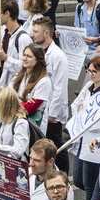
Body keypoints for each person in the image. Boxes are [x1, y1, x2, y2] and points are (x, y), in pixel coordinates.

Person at [70, 56, 100, 200]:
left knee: (89, 184)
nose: (91, 74)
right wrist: (81, 112)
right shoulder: (89, 85)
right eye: (89, 71)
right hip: (82, 138)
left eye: (94, 71)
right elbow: (76, 105)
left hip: (94, 140)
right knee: (78, 179)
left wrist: (84, 112)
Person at [31, 16, 70, 173]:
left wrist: (53, 113)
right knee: (46, 143)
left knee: (56, 145)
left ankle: (63, 174)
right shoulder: (39, 51)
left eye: (36, 32)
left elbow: (60, 87)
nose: (32, 34)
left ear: (46, 33)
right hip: (42, 107)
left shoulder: (57, 56)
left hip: (52, 111)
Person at [0, 0, 34, 89]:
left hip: (15, 87)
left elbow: (26, 66)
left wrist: (6, 58)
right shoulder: (4, 32)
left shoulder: (23, 39)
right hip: (2, 84)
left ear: (7, 14)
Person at [12, 44, 51, 131]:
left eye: (29, 56)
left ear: (37, 60)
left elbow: (30, 109)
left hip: (32, 125)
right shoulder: (18, 75)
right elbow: (7, 96)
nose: (24, 58)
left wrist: (15, 99)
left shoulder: (44, 81)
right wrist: (23, 102)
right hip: (14, 119)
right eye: (24, 55)